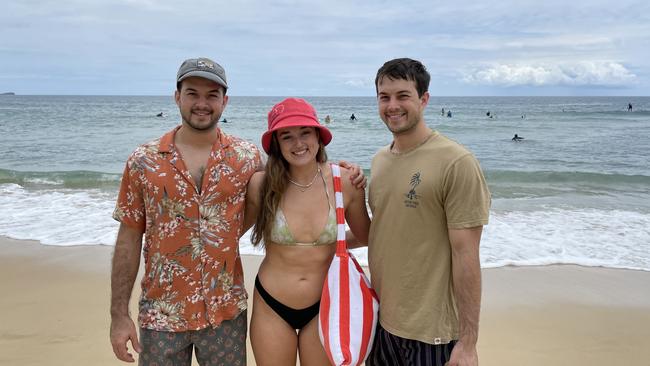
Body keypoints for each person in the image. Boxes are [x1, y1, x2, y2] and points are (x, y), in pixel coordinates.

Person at [110, 57, 263, 365]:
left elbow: (291, 181)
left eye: (212, 95)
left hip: (225, 312)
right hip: (162, 313)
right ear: (177, 96)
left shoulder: (247, 158)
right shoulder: (143, 160)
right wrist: (118, 315)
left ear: (225, 101)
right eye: (193, 93)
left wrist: (337, 172)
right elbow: (128, 238)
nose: (202, 103)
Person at [366, 58, 491, 366]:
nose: (392, 105)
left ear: (423, 99)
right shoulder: (380, 160)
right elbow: (384, 231)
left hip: (433, 333)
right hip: (383, 324)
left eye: (402, 96)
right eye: (385, 97)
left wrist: (468, 343)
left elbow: (466, 255)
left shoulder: (456, 161)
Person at [244, 97, 371, 366]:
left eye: (305, 133)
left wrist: (331, 242)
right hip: (271, 304)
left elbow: (366, 236)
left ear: (318, 136)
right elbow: (226, 235)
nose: (298, 143)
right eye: (287, 136)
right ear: (276, 143)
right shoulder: (261, 184)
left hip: (325, 304)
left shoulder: (344, 181)